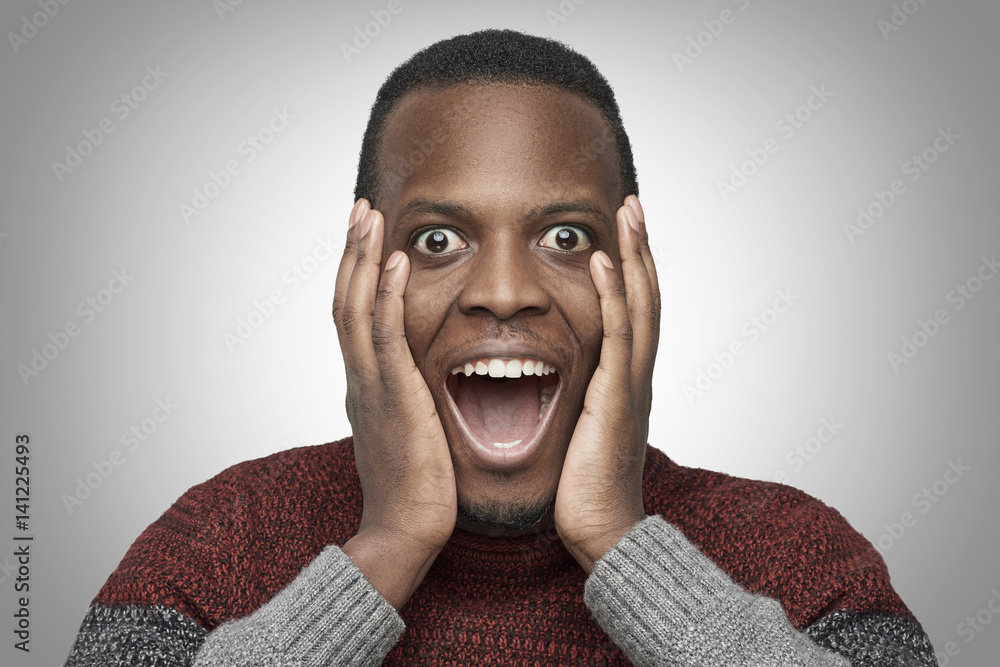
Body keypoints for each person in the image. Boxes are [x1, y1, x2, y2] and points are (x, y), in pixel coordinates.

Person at [64, 29, 936, 666]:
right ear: (363, 273)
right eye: (440, 240)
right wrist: (387, 546)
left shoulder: (792, 556)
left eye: (563, 236)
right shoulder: (221, 541)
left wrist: (620, 545)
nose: (507, 290)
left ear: (634, 273)